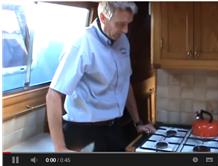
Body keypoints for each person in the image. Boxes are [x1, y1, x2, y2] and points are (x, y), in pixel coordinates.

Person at [46, 1, 156, 152]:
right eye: (120, 24)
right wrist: (59, 148)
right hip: (83, 133)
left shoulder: (123, 41)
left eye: (128, 23)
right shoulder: (81, 43)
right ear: (103, 17)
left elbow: (125, 83)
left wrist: (138, 123)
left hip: (114, 129)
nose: (126, 30)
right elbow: (53, 94)